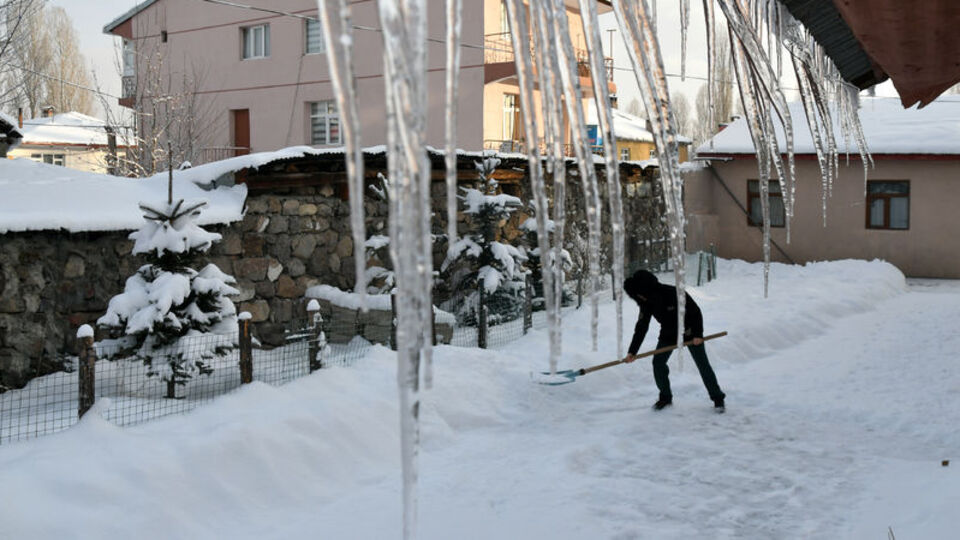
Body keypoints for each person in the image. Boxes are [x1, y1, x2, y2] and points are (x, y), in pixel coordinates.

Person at [622, 270, 726, 412]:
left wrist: (698, 334)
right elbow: (641, 327)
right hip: (669, 334)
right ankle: (665, 396)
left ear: (646, 288)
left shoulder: (672, 293)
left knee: (703, 364)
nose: (640, 297)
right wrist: (632, 351)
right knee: (658, 363)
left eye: (640, 294)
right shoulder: (645, 302)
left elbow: (695, 311)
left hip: (689, 332)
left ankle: (717, 398)